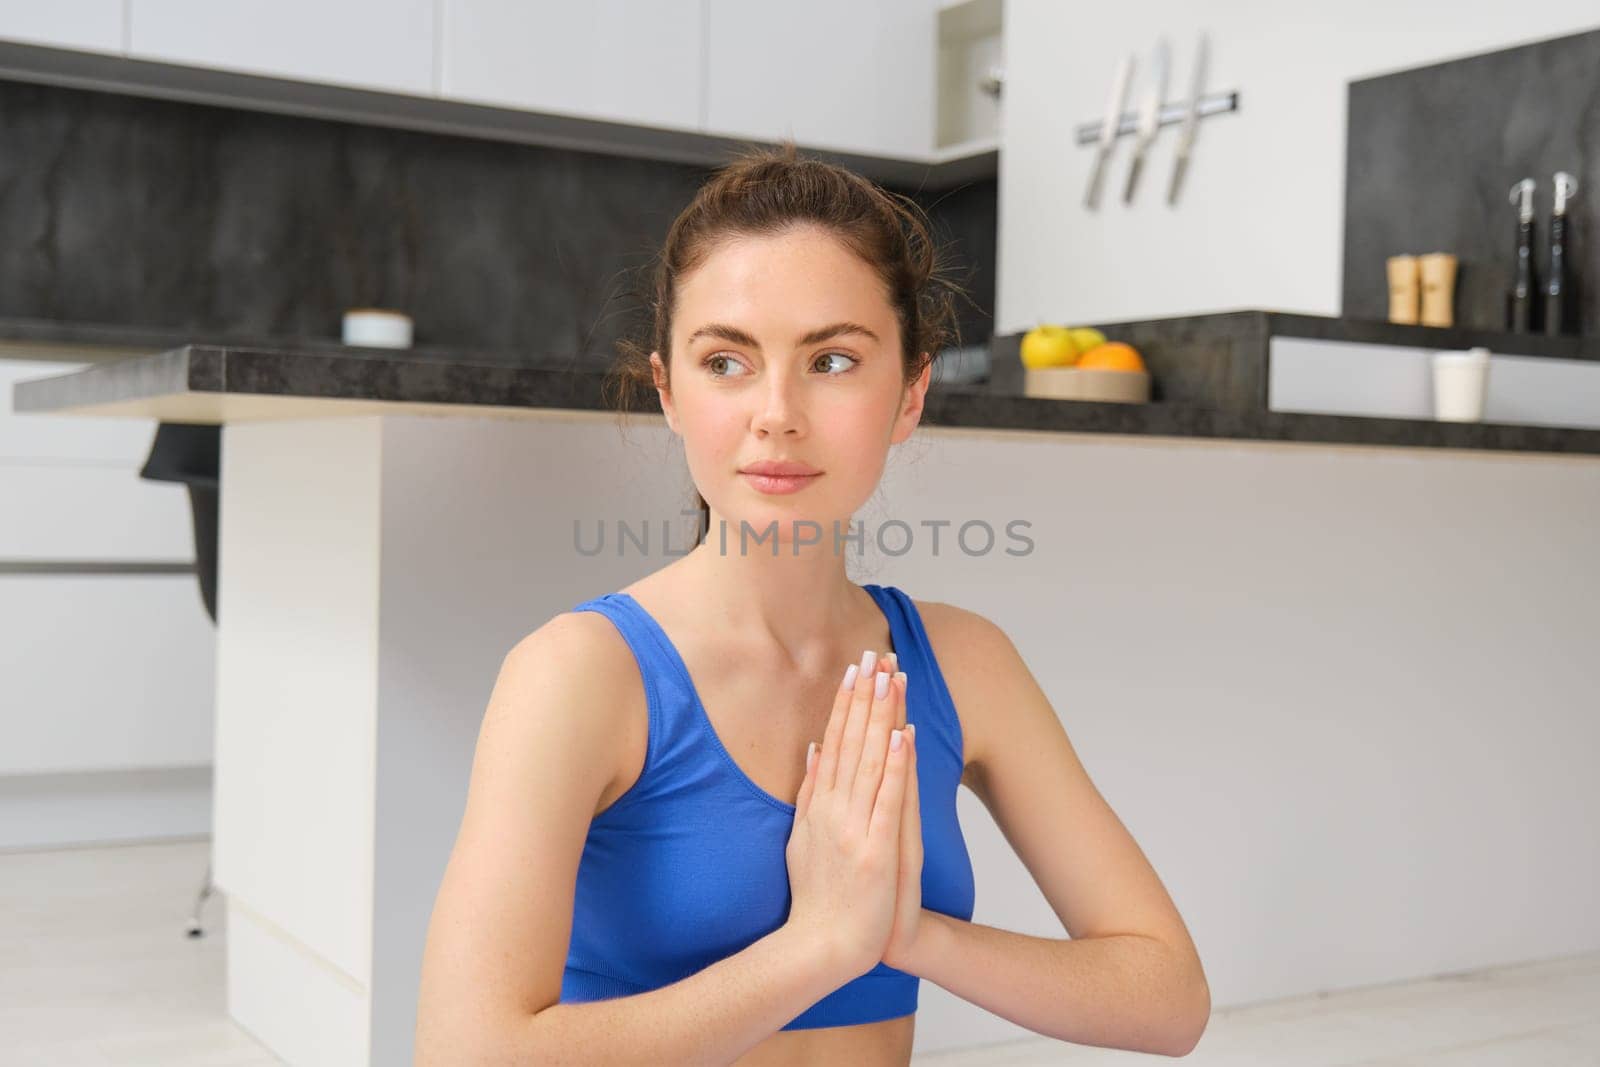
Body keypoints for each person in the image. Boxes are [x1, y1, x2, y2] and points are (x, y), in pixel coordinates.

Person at [415, 142, 1209, 1064]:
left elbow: (1168, 999)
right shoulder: (580, 676)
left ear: (911, 393)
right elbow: (464, 1051)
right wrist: (819, 944)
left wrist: (910, 934)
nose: (777, 412)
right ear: (668, 390)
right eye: (726, 361)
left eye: (832, 360)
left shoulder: (962, 662)